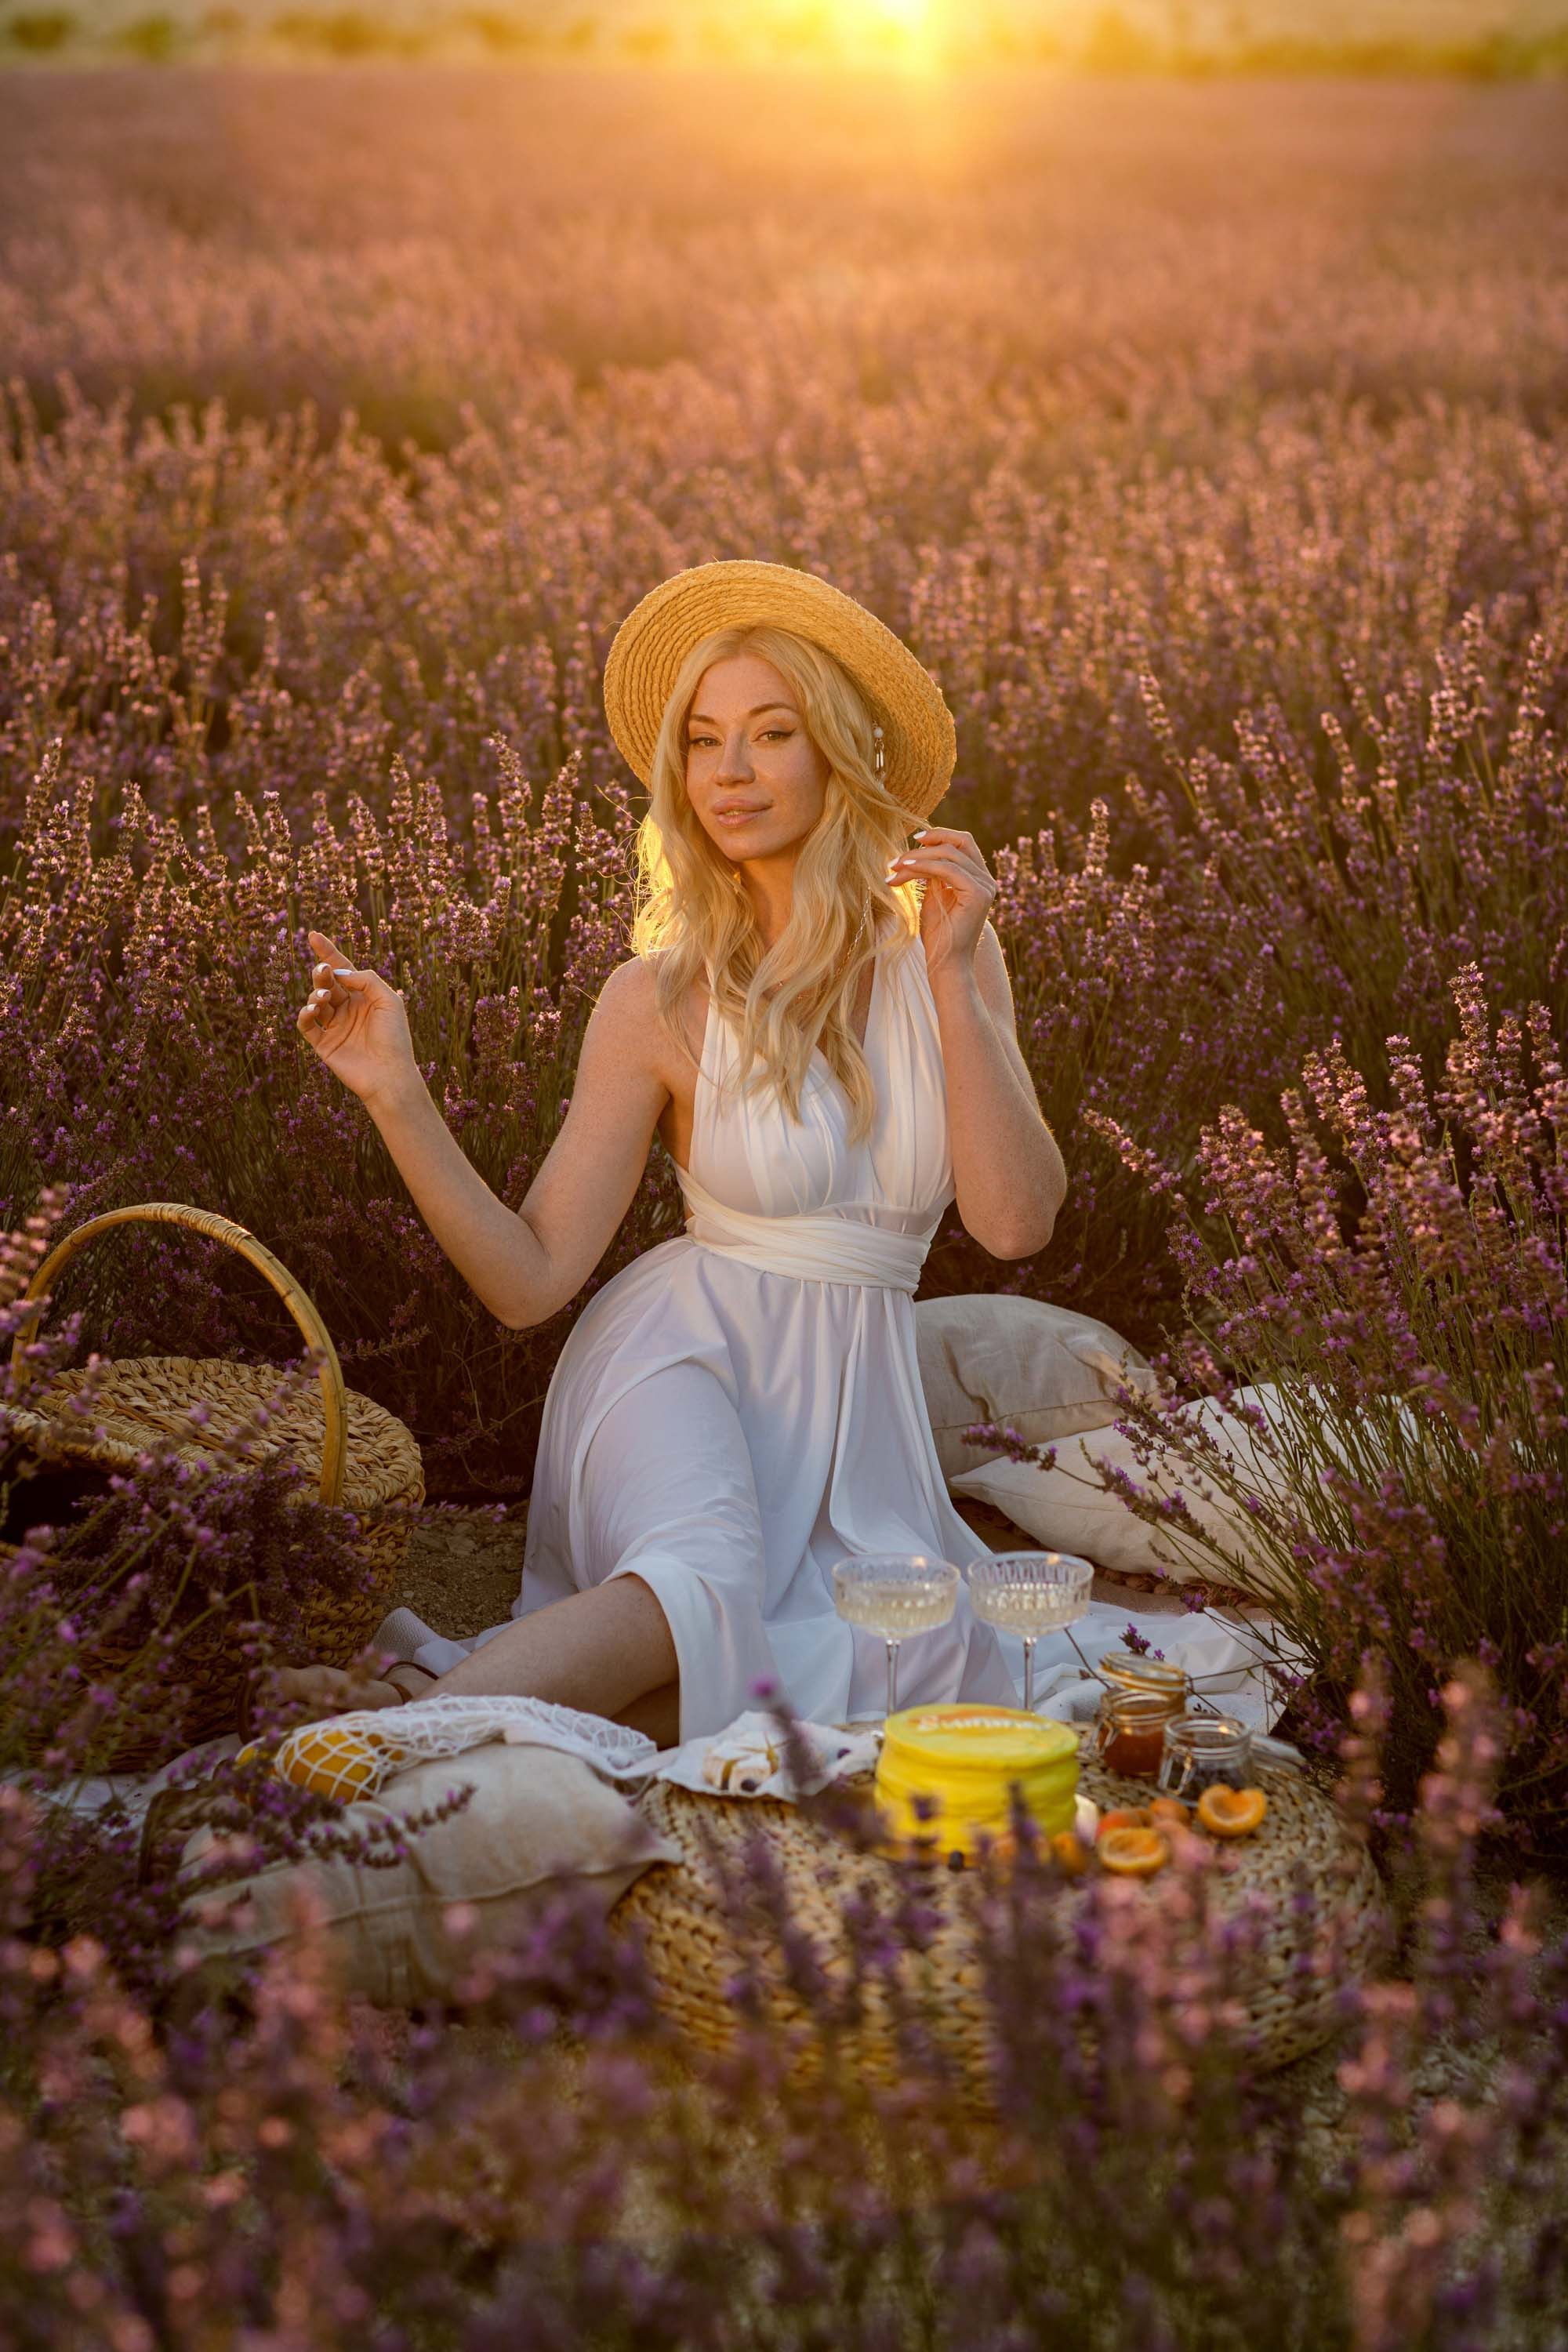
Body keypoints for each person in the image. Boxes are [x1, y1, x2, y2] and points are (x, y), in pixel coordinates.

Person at [282, 561, 1066, 1745]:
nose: (732, 773)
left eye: (770, 733)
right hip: (677, 1360)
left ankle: (434, 1703)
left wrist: (954, 980)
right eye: (703, 742)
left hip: (852, 1427)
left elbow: (1016, 1226)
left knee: (864, 1660)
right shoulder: (657, 997)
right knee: (696, 1592)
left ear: (841, 753)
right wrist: (396, 1091)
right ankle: (362, 1757)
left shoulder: (946, 958)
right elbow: (530, 1277)